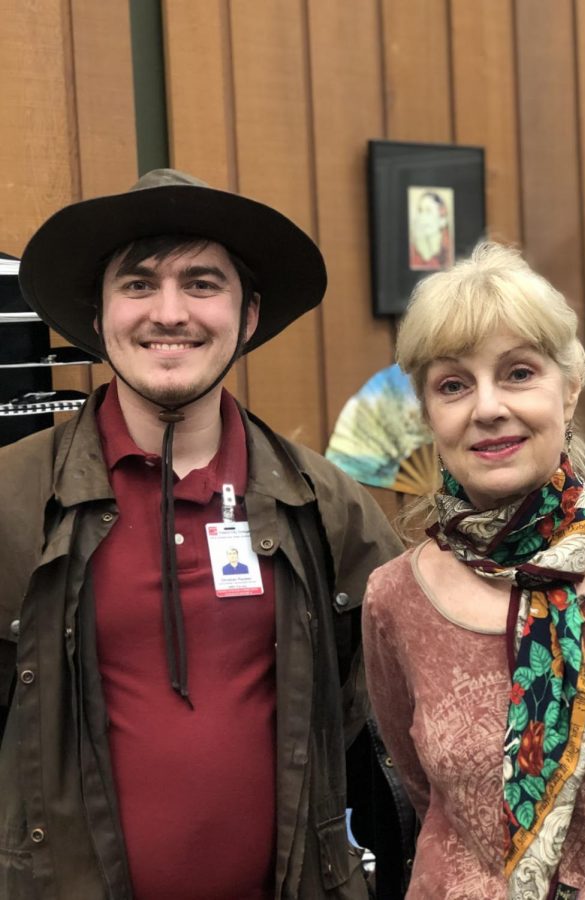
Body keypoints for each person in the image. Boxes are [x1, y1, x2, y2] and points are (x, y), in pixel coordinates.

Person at [0, 169, 405, 900]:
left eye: (201, 283)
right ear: (97, 315)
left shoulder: (327, 506)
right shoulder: (10, 502)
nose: (169, 311)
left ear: (248, 316)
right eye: (138, 284)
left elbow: (378, 702)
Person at [363, 242, 585, 899]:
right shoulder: (392, 599)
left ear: (568, 390)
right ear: (427, 416)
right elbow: (423, 792)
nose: (486, 408)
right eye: (453, 385)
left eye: (517, 373)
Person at [408, 191, 453, 271]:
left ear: (442, 214)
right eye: (420, 211)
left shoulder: (451, 248)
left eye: (428, 211)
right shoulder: (414, 251)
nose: (422, 217)